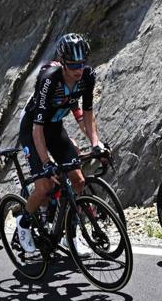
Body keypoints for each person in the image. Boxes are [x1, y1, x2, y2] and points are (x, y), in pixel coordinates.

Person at [13, 34, 107, 254]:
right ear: (63, 62)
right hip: (33, 127)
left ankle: (70, 235)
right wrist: (46, 162)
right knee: (44, 186)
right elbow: (37, 128)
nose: (78, 70)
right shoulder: (49, 79)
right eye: (73, 65)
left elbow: (88, 113)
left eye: (82, 64)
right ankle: (24, 223)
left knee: (78, 180)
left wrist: (96, 143)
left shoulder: (88, 76)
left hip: (55, 127)